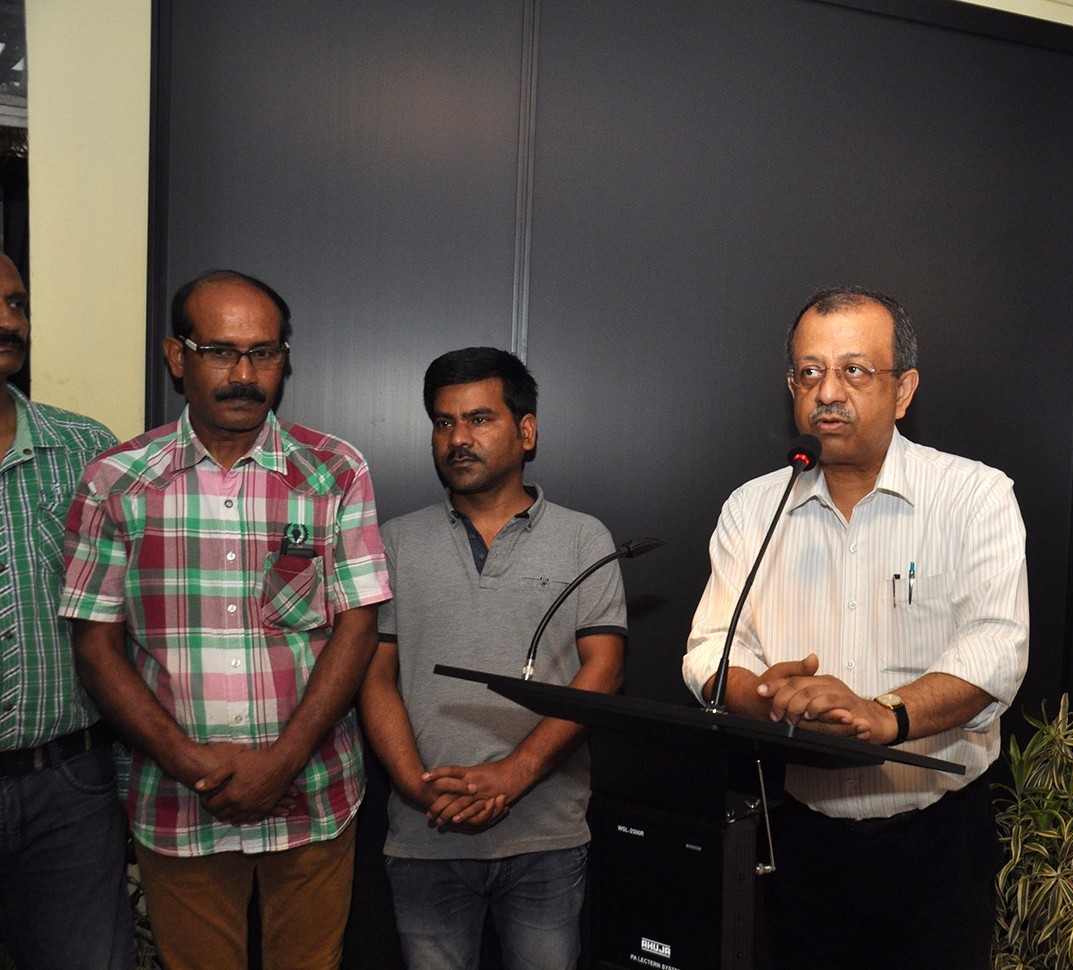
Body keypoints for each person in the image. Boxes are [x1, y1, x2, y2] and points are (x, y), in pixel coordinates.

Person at [682, 285, 1029, 969]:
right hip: (800, 842)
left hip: (935, 843)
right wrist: (758, 696)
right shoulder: (754, 509)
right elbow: (710, 648)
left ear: (902, 392)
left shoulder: (974, 496)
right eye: (809, 373)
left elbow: (996, 651)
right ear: (791, 388)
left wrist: (881, 715)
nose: (828, 392)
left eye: (854, 371)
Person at [59, 269, 391, 970]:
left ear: (285, 358)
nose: (244, 374)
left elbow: (358, 625)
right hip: (180, 805)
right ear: (177, 356)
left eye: (263, 353)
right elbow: (95, 645)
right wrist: (191, 764)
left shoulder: (334, 470)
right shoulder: (115, 481)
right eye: (220, 351)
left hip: (312, 794)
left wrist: (284, 759)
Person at [359, 346, 626, 970]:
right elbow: (374, 679)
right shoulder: (392, 541)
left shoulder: (585, 537)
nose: (458, 438)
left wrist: (514, 773)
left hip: (546, 837)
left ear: (525, 430)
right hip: (426, 836)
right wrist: (417, 789)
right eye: (444, 422)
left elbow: (604, 671)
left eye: (479, 419)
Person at [0, 254, 134, 968]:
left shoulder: (85, 451)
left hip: (69, 790)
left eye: (17, 304)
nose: (7, 321)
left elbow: (129, 617)